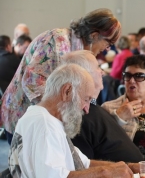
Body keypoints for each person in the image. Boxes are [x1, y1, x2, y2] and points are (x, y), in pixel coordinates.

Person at [0, 8, 121, 143]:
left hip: (42, 119)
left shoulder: (77, 48)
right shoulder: (56, 41)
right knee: (27, 162)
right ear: (93, 35)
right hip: (24, 115)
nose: (108, 48)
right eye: (108, 43)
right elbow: (32, 83)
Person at [61, 51, 145, 163]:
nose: (102, 72)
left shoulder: (93, 108)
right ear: (85, 75)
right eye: (98, 67)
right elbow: (85, 167)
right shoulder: (79, 114)